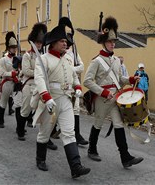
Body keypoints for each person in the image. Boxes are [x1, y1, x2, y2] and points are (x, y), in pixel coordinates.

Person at [83, 16, 143, 168]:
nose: (112, 44)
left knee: (119, 125)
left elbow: (119, 78)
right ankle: (92, 148)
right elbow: (87, 81)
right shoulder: (96, 61)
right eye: (110, 41)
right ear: (104, 42)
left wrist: (130, 79)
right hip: (102, 98)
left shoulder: (116, 60)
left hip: (115, 96)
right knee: (98, 124)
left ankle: (125, 157)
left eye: (114, 42)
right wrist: (103, 92)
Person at [33, 24, 90, 178]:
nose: (65, 43)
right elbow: (39, 79)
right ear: (53, 43)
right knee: (44, 133)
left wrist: (78, 87)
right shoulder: (43, 59)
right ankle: (40, 159)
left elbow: (73, 77)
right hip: (50, 99)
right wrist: (46, 97)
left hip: (65, 99)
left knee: (69, 133)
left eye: (66, 41)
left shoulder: (68, 59)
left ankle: (75, 167)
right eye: (62, 41)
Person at [58, 17, 88, 145]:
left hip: (72, 85)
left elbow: (81, 67)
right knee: (56, 111)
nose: (67, 44)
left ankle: (77, 135)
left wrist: (71, 69)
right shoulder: (58, 52)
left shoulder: (74, 52)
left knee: (76, 109)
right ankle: (50, 132)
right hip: (59, 86)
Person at [0, 32, 19, 128]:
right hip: (7, 83)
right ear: (8, 48)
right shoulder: (3, 60)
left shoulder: (18, 58)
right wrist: (12, 73)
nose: (14, 49)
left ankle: (19, 126)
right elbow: (2, 73)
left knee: (18, 104)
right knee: (3, 102)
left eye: (15, 47)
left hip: (16, 83)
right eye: (12, 47)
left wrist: (19, 73)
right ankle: (0, 120)